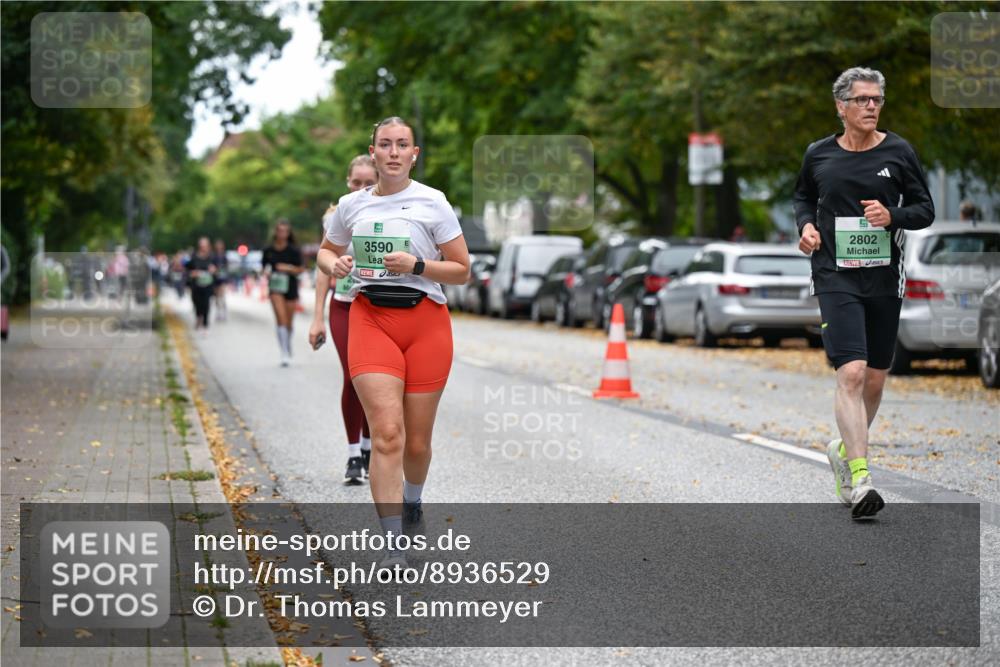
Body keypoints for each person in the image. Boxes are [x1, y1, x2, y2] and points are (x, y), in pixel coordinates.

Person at [317, 117, 470, 567]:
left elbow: (462, 269)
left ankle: (414, 502)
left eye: (402, 144)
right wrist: (335, 265)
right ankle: (392, 543)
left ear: (414, 153)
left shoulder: (433, 202)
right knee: (386, 435)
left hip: (425, 322)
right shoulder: (351, 204)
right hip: (371, 318)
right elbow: (326, 251)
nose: (394, 152)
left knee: (416, 444)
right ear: (374, 151)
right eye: (385, 144)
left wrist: (418, 265)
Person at [794, 67, 934, 519]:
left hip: (882, 277)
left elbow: (924, 210)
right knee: (850, 373)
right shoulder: (818, 154)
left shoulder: (899, 151)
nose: (872, 106)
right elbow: (802, 198)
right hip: (835, 274)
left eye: (877, 99)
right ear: (842, 107)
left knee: (874, 378)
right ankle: (860, 477)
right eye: (863, 100)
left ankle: (842, 447)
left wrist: (891, 216)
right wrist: (806, 227)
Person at [310, 155, 378, 484]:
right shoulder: (336, 217)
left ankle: (368, 446)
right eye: (356, 182)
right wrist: (316, 318)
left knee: (374, 382)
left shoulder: (390, 212)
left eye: (369, 183)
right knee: (352, 377)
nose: (362, 188)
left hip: (378, 307)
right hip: (344, 304)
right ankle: (354, 455)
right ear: (347, 183)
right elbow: (324, 270)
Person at [263, 219, 306, 366]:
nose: (282, 234)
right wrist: (267, 272)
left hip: (290, 287)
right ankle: (284, 353)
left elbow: (301, 269)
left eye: (285, 231)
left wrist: (287, 268)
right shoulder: (268, 250)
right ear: (276, 232)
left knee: (289, 322)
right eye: (280, 230)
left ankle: (287, 344)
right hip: (275, 287)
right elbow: (264, 267)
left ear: (288, 233)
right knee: (280, 319)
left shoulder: (293, 250)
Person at [186, 237, 217, 332]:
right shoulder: (194, 256)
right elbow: (188, 269)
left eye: (205, 246)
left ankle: (205, 324)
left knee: (206, 304)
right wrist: (193, 273)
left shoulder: (212, 257)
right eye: (202, 246)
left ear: (208, 246)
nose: (203, 247)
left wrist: (214, 270)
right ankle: (199, 317)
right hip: (196, 284)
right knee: (197, 303)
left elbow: (217, 269)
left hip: (208, 284)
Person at [212, 239, 229, 322]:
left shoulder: (224, 256)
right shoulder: (213, 256)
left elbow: (226, 268)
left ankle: (223, 312)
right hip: (215, 279)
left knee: (222, 296)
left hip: (222, 278)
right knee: (216, 297)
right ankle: (218, 312)